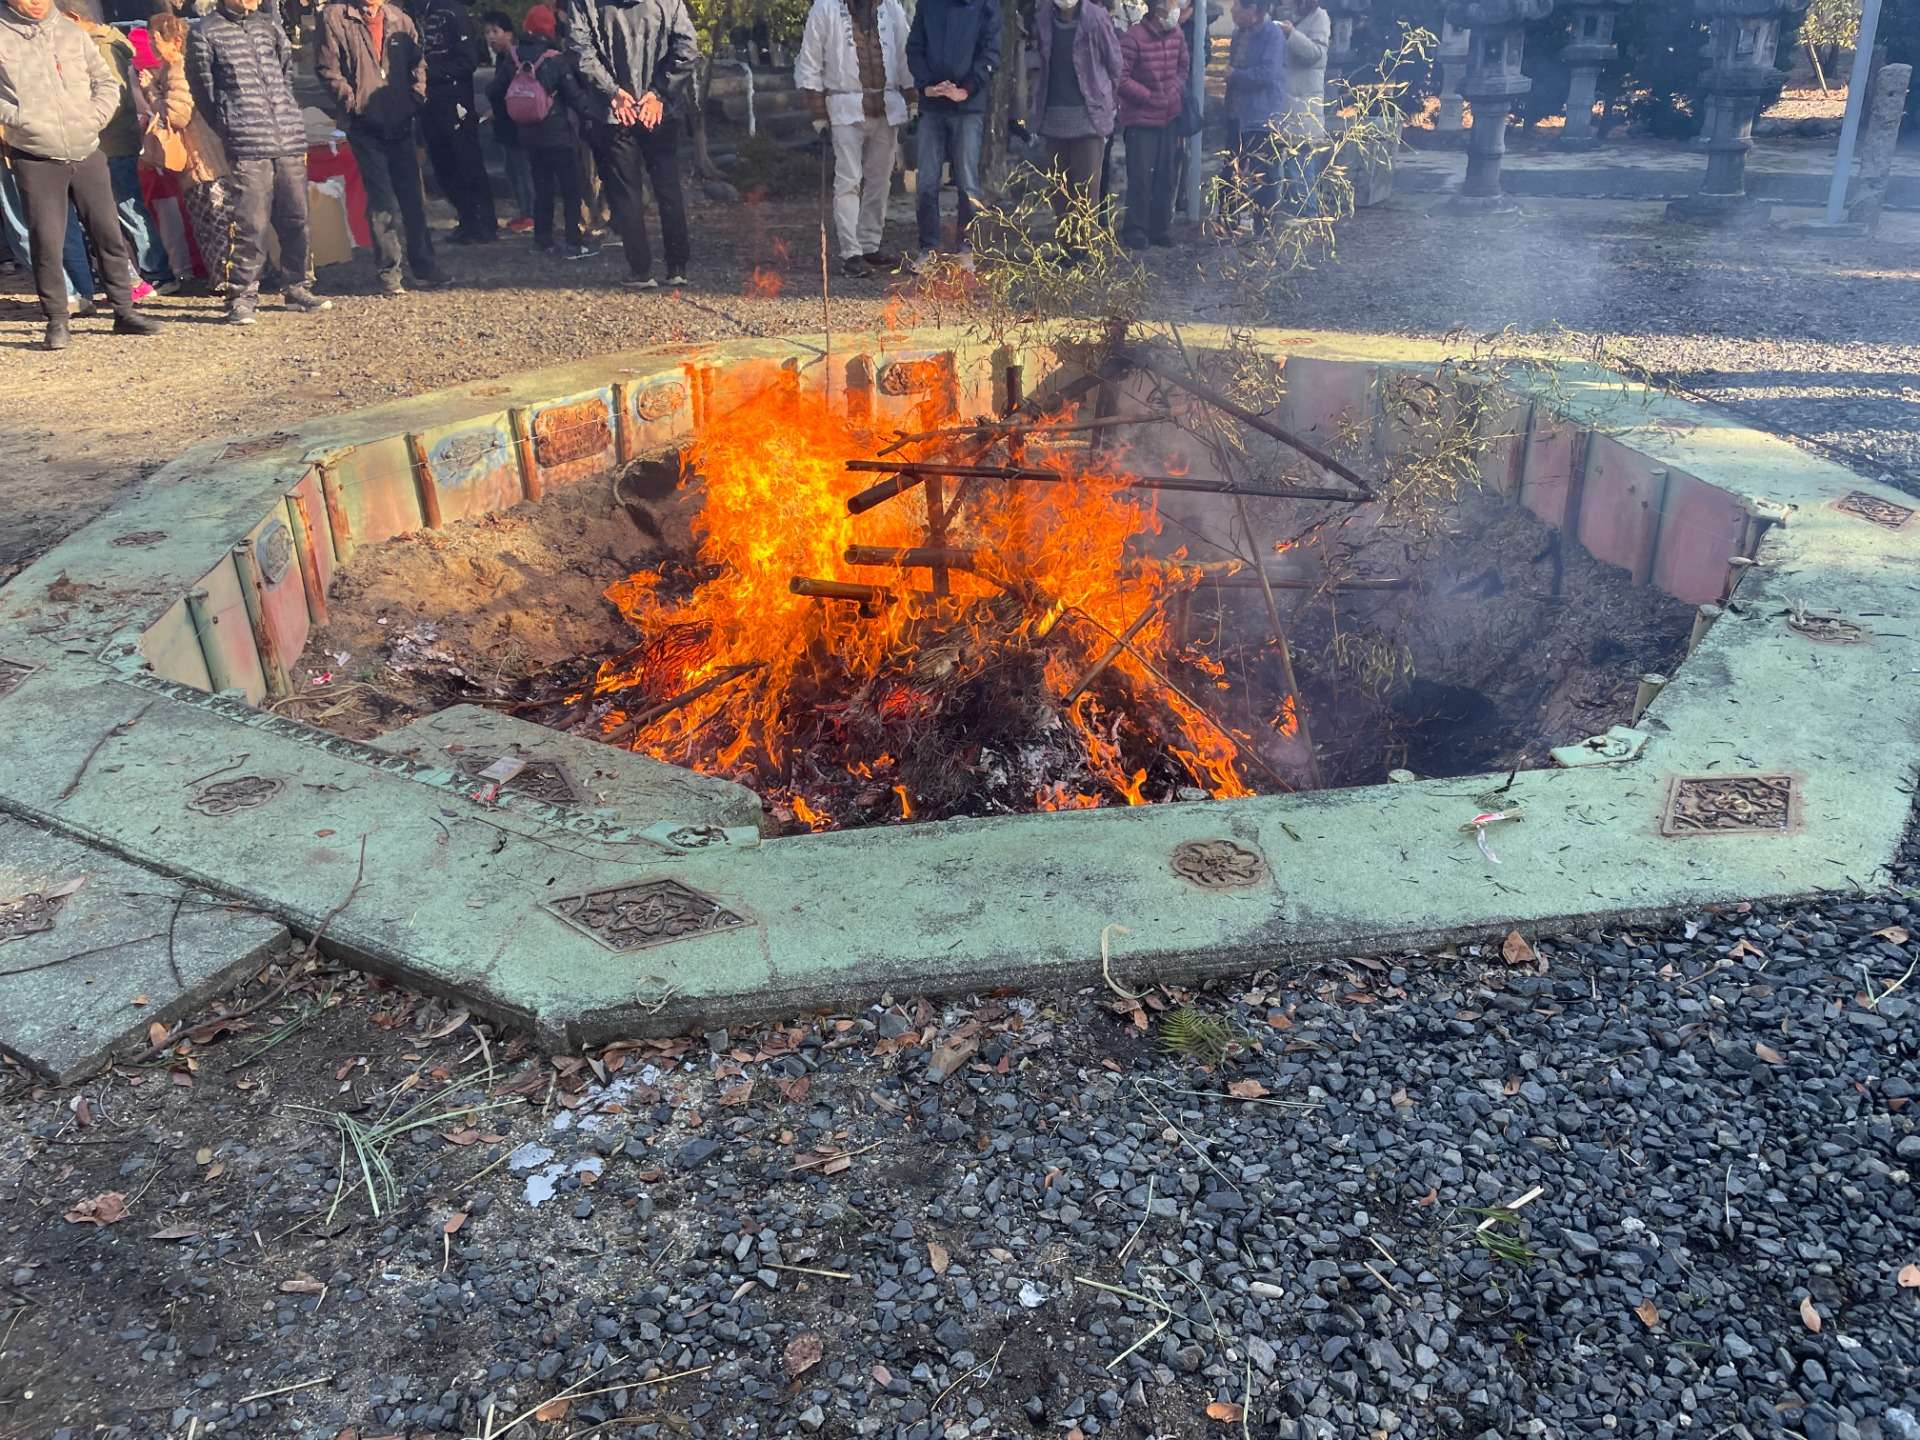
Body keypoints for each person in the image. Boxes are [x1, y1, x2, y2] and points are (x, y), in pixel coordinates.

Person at [0, 0, 160, 347]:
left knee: (109, 233)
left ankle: (124, 310)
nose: (37, 1)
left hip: (87, 148)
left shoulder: (72, 32)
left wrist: (94, 120)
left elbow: (105, 81)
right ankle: (57, 319)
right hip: (35, 154)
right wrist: (21, 120)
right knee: (47, 241)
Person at [187, 0, 330, 321]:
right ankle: (241, 295)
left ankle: (296, 286)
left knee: (296, 217)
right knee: (250, 222)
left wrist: (286, 113)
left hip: (287, 135)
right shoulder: (204, 32)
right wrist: (230, 124)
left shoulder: (269, 25)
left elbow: (284, 75)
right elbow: (203, 90)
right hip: (246, 141)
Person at [316, 0, 449, 293]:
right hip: (364, 125)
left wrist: (416, 98)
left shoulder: (400, 19)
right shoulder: (335, 17)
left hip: (401, 120)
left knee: (413, 198)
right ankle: (389, 272)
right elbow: (328, 68)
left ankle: (425, 266)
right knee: (381, 201)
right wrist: (354, 105)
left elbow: (419, 63)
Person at [561, 0, 695, 290]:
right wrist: (659, 92)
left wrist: (612, 91)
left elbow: (579, 50)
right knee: (668, 186)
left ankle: (640, 269)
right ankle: (677, 266)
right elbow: (686, 48)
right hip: (659, 109)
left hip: (614, 111)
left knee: (626, 191)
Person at [793, 0, 911, 279]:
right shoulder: (825, 9)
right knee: (848, 181)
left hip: (887, 105)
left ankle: (870, 244)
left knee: (880, 180)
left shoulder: (891, 8)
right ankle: (851, 252)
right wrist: (818, 114)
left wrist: (913, 101)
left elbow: (906, 57)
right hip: (844, 105)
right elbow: (810, 61)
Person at [63, 2, 174, 291]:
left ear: (74, 18)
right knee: (123, 208)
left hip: (111, 141)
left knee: (128, 207)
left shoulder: (100, 48)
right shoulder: (108, 43)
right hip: (113, 139)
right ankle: (147, 269)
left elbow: (111, 96)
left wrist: (89, 123)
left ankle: (157, 270)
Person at [489, 3, 593, 258]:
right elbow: (574, 96)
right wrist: (591, 115)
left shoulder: (514, 57)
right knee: (570, 189)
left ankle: (542, 239)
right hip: (558, 133)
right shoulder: (555, 58)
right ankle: (573, 241)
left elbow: (493, 91)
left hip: (528, 133)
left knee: (542, 186)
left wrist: (510, 113)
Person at [904, 0, 998, 269]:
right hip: (932, 104)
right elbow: (915, 48)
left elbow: (990, 53)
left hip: (968, 106)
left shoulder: (984, 5)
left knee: (968, 181)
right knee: (926, 181)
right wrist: (926, 86)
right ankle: (928, 248)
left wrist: (966, 89)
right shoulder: (927, 4)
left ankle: (966, 248)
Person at [1030, 0, 1119, 239]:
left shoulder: (1096, 18)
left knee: (1086, 187)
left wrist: (1110, 103)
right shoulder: (1043, 19)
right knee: (1059, 190)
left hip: (1088, 116)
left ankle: (1083, 248)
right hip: (1054, 117)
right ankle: (1065, 244)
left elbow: (1115, 64)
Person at [409, 0, 495, 242]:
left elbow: (468, 61)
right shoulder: (414, 11)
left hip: (454, 98)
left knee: (466, 159)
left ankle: (483, 222)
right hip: (427, 100)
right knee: (442, 162)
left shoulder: (452, 12)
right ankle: (466, 217)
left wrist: (432, 71)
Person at [1115, 0, 1185, 249]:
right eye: (1173, 3)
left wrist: (1173, 91)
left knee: (1166, 175)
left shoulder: (1177, 34)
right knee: (1141, 177)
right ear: (1159, 9)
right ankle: (1135, 229)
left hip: (1170, 117)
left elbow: (1182, 68)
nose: (1177, 8)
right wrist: (1148, 96)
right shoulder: (1133, 38)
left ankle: (1160, 228)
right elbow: (1120, 78)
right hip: (1141, 120)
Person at [1222, 0, 1284, 236]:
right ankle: (1231, 220)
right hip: (1236, 113)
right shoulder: (1239, 33)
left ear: (1254, 10)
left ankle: (1262, 225)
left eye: (1239, 5)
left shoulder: (1273, 35)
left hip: (1261, 114)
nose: (1233, 9)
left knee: (1262, 171)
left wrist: (1237, 75)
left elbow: (1269, 73)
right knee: (1231, 168)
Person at [480, 9, 534, 232]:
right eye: (487, 32)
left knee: (522, 169)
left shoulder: (514, 57)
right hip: (505, 122)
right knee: (513, 169)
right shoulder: (503, 58)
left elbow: (500, 88)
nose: (490, 36)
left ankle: (530, 214)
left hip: (516, 124)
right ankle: (525, 212)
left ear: (509, 33)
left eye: (495, 31)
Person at [1273, 0, 1327, 214]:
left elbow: (1315, 54)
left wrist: (1291, 34)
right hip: (1281, 99)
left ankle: (1308, 213)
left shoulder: (1319, 16)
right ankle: (1289, 211)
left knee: (1301, 162)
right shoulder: (1276, 12)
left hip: (1303, 101)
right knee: (1285, 164)